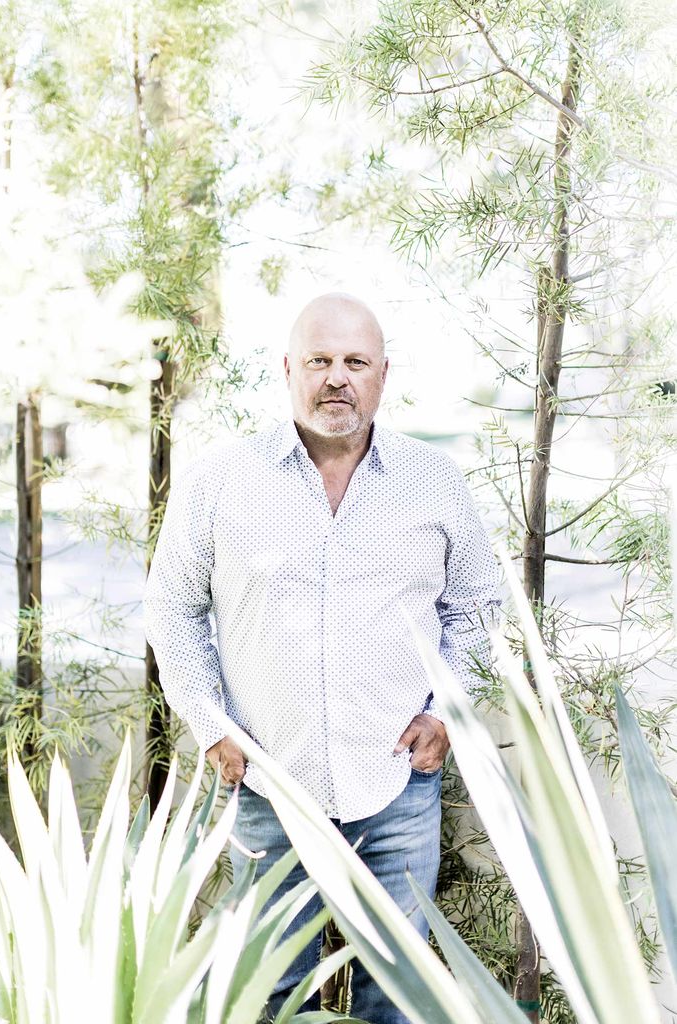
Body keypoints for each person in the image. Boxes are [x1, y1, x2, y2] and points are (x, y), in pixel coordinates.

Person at [143, 291, 501, 1023]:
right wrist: (211, 726)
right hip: (267, 787)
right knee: (270, 995)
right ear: (287, 370)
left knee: (397, 992)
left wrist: (444, 717)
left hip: (396, 786)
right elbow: (172, 611)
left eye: (354, 362)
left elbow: (477, 609)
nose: (336, 378)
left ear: (381, 375)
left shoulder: (435, 482)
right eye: (319, 360)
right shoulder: (218, 483)